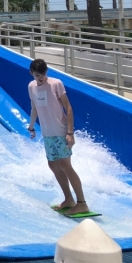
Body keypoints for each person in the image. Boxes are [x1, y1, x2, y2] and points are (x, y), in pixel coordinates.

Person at [27, 58, 89, 216]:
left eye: (43, 74)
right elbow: (34, 108)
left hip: (61, 132)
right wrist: (32, 126)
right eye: (37, 75)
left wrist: (70, 133)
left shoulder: (56, 84)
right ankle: (68, 199)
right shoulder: (31, 86)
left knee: (66, 165)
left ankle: (82, 203)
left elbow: (68, 108)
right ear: (31, 73)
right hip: (47, 133)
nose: (40, 78)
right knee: (53, 165)